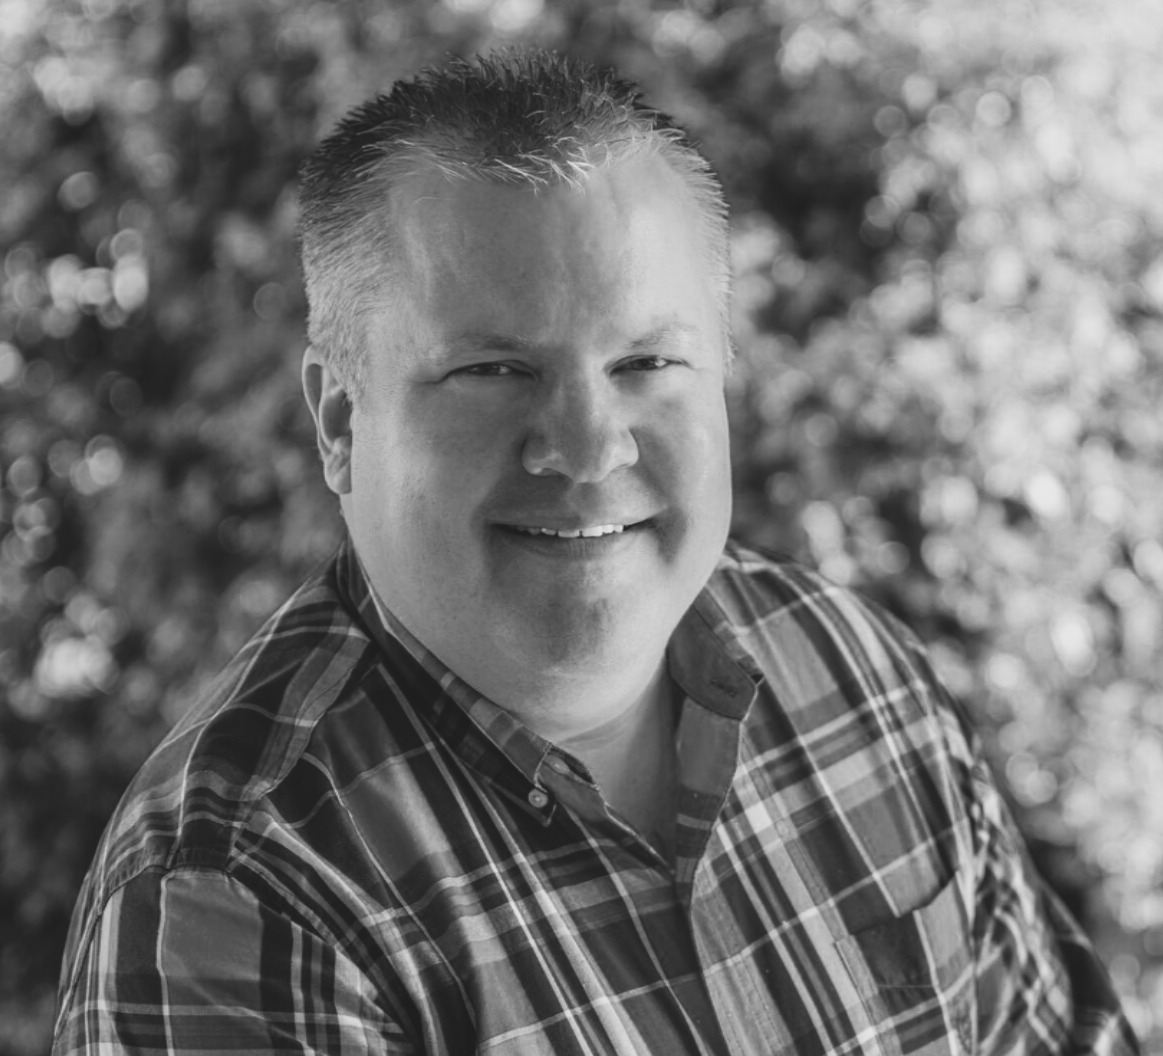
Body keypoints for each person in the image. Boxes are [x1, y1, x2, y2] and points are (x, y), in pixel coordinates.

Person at [52, 49, 1137, 1056]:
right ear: (340, 422)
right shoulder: (237, 895)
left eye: (646, 363)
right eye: (492, 371)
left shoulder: (859, 677)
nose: (585, 447)